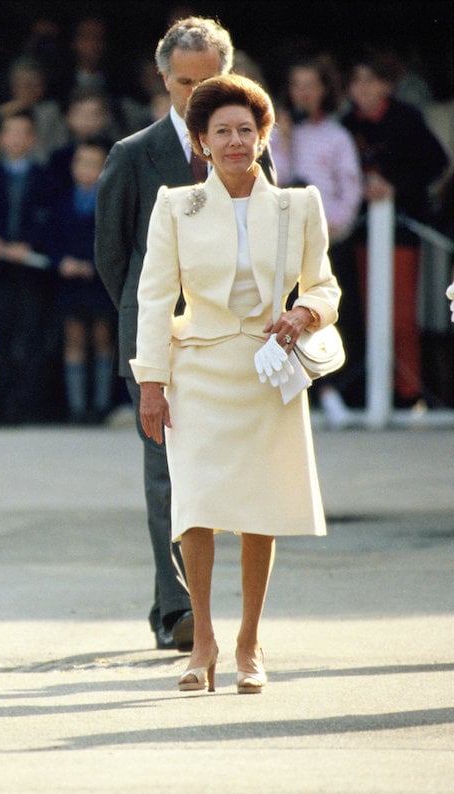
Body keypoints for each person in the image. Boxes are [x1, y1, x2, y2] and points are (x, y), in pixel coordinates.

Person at [132, 74, 340, 694]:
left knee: (259, 509)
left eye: (246, 131)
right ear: (200, 141)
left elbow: (325, 286)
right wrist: (152, 381)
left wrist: (304, 313)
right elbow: (153, 298)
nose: (234, 142)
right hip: (196, 371)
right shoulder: (175, 205)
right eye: (221, 131)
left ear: (263, 136)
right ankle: (203, 641)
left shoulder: (298, 205)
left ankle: (249, 641)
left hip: (269, 372)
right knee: (195, 507)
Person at [95, 16, 275, 652]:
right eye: (182, 81)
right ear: (163, 78)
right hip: (162, 346)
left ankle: (184, 603)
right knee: (167, 480)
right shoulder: (133, 155)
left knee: (238, 478)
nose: (195, 93)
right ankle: (178, 612)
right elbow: (115, 259)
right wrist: (150, 330)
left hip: (237, 343)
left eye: (210, 80)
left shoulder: (248, 146)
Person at [341, 53, 448, 408]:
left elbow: (437, 164)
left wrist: (396, 187)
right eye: (356, 81)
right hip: (359, 232)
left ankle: (407, 392)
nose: (363, 89)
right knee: (362, 313)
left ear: (387, 85)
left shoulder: (406, 119)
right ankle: (370, 388)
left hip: (401, 229)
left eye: (371, 80)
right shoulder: (346, 123)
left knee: (400, 315)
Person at [271, 57, 362, 427]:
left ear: (324, 90)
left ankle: (333, 389)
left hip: (327, 239)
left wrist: (334, 224)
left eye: (311, 84)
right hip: (283, 240)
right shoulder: (276, 133)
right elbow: (274, 183)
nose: (304, 92)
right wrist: (287, 138)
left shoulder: (336, 135)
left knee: (326, 313)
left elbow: (349, 186)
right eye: (297, 85)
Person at [0, 110, 51, 423]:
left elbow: (51, 219)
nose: (16, 139)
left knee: (31, 337)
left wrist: (31, 243)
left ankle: (29, 406)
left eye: (23, 133)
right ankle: (0, 405)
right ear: (1, 139)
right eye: (10, 132)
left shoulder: (45, 177)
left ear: (32, 139)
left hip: (31, 271)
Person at [48, 136, 114, 423]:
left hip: (99, 282)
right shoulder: (62, 202)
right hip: (70, 282)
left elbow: (114, 242)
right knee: (73, 340)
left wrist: (95, 266)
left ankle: (100, 406)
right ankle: (77, 406)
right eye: (81, 163)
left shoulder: (110, 202)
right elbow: (51, 239)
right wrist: (62, 262)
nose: (86, 169)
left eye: (93, 164)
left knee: (102, 339)